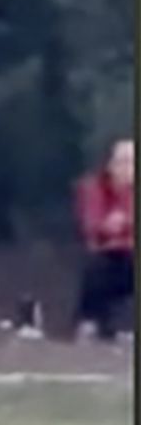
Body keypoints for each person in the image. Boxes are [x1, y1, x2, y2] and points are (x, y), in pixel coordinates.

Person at [74, 139, 133, 344]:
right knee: (98, 266)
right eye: (123, 162)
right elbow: (94, 228)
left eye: (132, 162)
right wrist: (119, 228)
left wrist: (121, 225)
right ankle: (89, 323)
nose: (128, 168)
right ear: (110, 165)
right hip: (108, 258)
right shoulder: (93, 187)